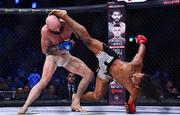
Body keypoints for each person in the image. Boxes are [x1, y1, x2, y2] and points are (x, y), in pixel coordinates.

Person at [49, 9, 161, 113]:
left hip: (107, 74)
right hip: (108, 57)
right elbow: (140, 53)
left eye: (136, 78)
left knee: (97, 96)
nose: (136, 75)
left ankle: (76, 97)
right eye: (139, 74)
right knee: (88, 40)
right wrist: (141, 42)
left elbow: (131, 105)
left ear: (137, 86)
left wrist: (130, 109)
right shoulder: (136, 66)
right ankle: (65, 16)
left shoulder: (135, 91)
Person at [18, 15, 94, 114]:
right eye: (54, 29)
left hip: (66, 56)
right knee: (43, 81)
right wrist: (59, 47)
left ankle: (76, 102)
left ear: (60, 22)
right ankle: (25, 105)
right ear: (49, 28)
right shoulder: (45, 31)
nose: (58, 30)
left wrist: (77, 37)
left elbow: (80, 32)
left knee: (89, 74)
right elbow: (45, 50)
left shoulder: (67, 23)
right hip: (53, 57)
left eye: (59, 27)